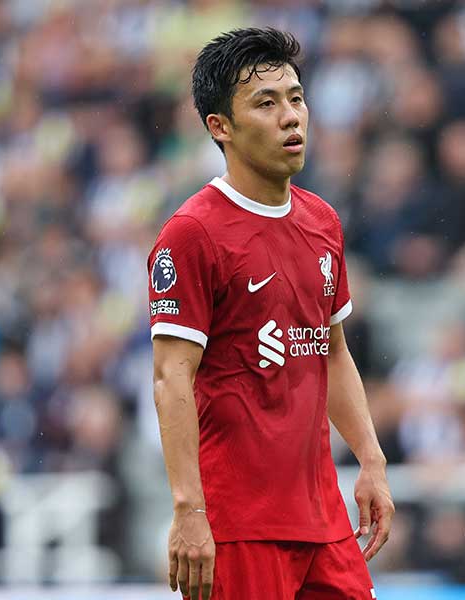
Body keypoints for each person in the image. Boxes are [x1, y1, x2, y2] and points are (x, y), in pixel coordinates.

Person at [147, 28, 394, 600]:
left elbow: (331, 350)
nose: (290, 117)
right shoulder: (192, 233)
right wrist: (189, 510)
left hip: (323, 519)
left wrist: (371, 460)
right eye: (266, 103)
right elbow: (171, 376)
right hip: (239, 524)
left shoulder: (322, 221)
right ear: (220, 127)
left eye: (296, 98)